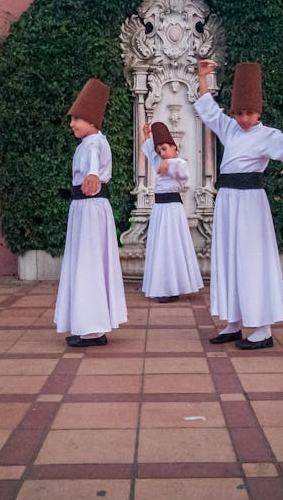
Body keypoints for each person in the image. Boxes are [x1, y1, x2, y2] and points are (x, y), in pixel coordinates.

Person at [196, 59, 283, 349]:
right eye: (238, 112)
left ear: (259, 112)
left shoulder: (266, 135)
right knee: (229, 258)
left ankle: (262, 329)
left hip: (250, 204)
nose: (243, 118)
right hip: (227, 201)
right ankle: (234, 322)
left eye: (249, 113)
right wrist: (202, 77)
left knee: (251, 260)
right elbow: (209, 110)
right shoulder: (230, 129)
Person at [55, 78, 128, 347]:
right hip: (85, 208)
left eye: (78, 118)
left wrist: (94, 174)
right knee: (87, 260)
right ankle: (90, 324)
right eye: (72, 118)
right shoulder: (88, 142)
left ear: (93, 122)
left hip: (90, 208)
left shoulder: (94, 143)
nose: (73, 123)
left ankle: (92, 328)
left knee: (89, 261)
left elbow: (95, 162)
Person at [140, 121, 203, 303]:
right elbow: (150, 153)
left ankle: (173, 287)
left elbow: (183, 173)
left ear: (174, 147)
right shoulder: (160, 160)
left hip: (172, 210)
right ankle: (166, 287)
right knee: (161, 248)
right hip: (160, 210)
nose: (162, 153)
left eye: (165, 148)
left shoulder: (179, 163)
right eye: (160, 150)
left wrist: (169, 165)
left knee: (172, 247)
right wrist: (147, 136)